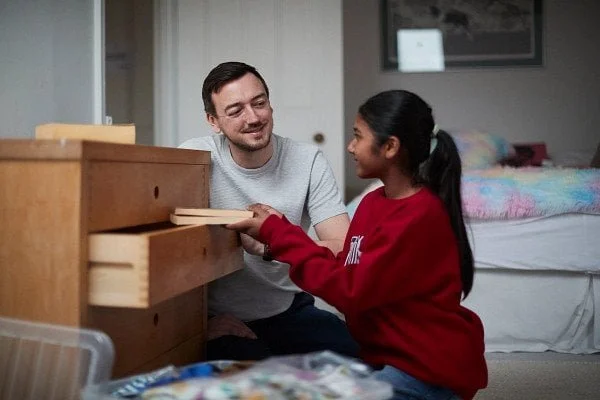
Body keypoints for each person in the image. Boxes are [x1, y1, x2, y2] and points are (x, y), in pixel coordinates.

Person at [227, 90, 489, 399]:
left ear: (390, 146)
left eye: (358, 136)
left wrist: (277, 233)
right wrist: (279, 234)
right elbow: (348, 270)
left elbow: (349, 291)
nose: (350, 147)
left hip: (424, 371)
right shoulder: (372, 203)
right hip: (387, 360)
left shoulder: (419, 215)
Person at [178, 61, 359, 361]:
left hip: (289, 308)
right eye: (235, 111)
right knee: (254, 381)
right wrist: (197, 325)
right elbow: (167, 253)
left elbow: (344, 248)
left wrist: (270, 247)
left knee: (363, 361)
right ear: (213, 121)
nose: (253, 117)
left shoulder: (307, 160)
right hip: (221, 319)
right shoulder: (194, 158)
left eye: (259, 103)